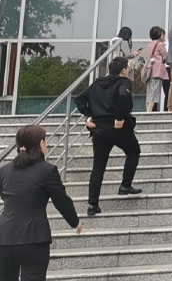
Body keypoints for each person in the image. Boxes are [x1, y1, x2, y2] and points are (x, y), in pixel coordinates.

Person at [0, 125, 81, 281]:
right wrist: (75, 221)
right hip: (34, 239)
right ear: (40, 143)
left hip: (4, 239)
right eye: (46, 141)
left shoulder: (4, 171)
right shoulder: (47, 170)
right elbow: (61, 200)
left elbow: (6, 197)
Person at [74, 56, 142, 215]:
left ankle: (93, 205)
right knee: (133, 152)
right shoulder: (124, 82)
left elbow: (79, 99)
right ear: (123, 71)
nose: (129, 70)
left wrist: (89, 115)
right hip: (118, 127)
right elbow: (123, 96)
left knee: (98, 167)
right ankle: (125, 185)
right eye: (128, 68)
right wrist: (120, 117)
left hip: (98, 128)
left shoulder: (96, 84)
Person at [144, 26, 168, 113]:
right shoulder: (160, 44)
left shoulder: (149, 44)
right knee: (155, 91)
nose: (164, 37)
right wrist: (164, 60)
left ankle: (147, 109)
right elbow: (166, 56)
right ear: (160, 35)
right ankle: (149, 111)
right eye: (163, 35)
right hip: (157, 71)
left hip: (149, 70)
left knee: (149, 91)